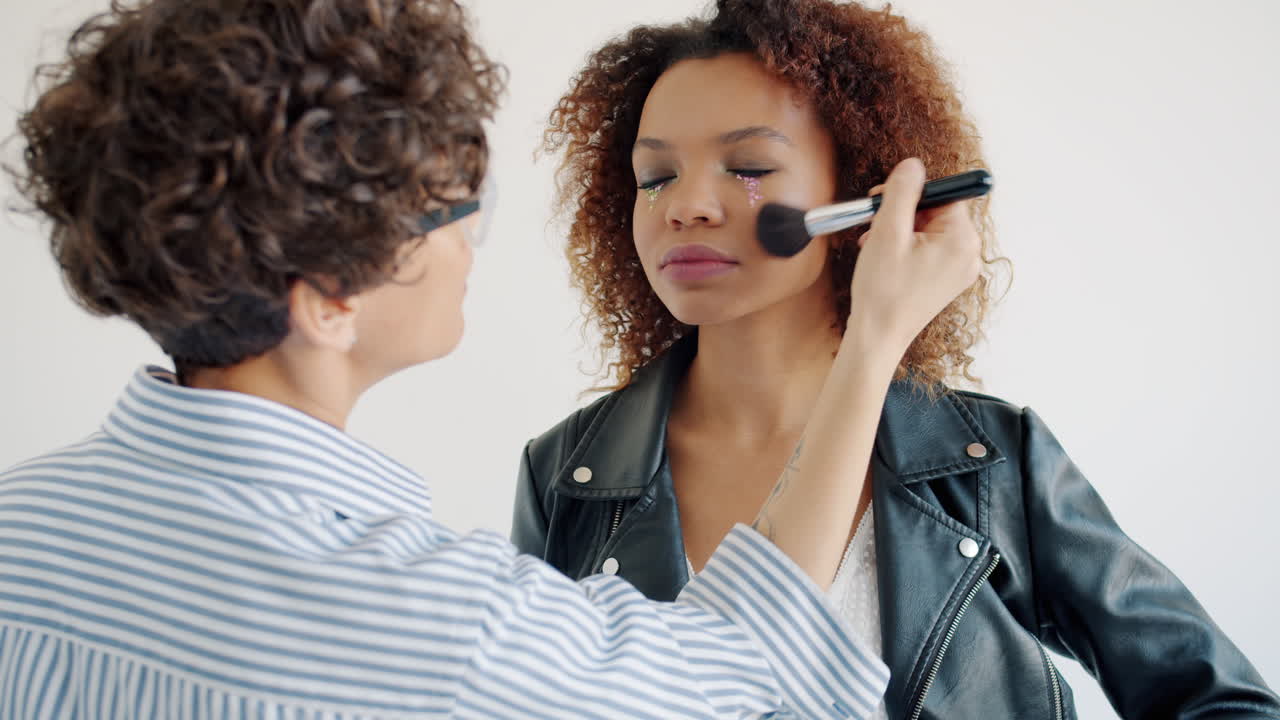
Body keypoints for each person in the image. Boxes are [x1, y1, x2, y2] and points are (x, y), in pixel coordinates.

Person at [0, 0, 987, 716]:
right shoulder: (451, 629)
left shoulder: (18, 532)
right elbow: (744, 666)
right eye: (447, 208)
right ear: (329, 299)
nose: (470, 239)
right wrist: (876, 336)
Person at [510, 0, 1280, 718]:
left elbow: (1228, 702)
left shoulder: (991, 464)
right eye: (655, 177)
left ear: (862, 196)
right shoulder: (565, 478)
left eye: (748, 167)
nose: (685, 206)